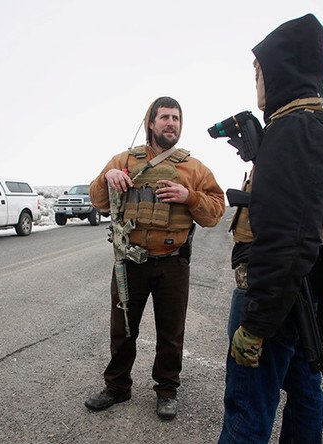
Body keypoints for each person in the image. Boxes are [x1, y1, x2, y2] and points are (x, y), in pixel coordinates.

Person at [219, 14, 323, 443]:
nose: (257, 80)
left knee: (247, 406)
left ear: (280, 69)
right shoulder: (311, 124)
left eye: (259, 70)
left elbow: (289, 241)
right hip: (295, 293)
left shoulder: (296, 130)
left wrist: (255, 324)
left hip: (275, 294)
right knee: (305, 392)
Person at [85, 96, 225, 420]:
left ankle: (167, 391)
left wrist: (189, 196)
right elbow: (96, 200)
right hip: (129, 262)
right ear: (151, 122)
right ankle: (117, 387)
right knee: (122, 330)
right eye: (165, 117)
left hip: (173, 263)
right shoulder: (123, 160)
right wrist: (107, 179)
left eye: (176, 118)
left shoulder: (194, 168)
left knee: (171, 332)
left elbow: (216, 211)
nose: (171, 123)